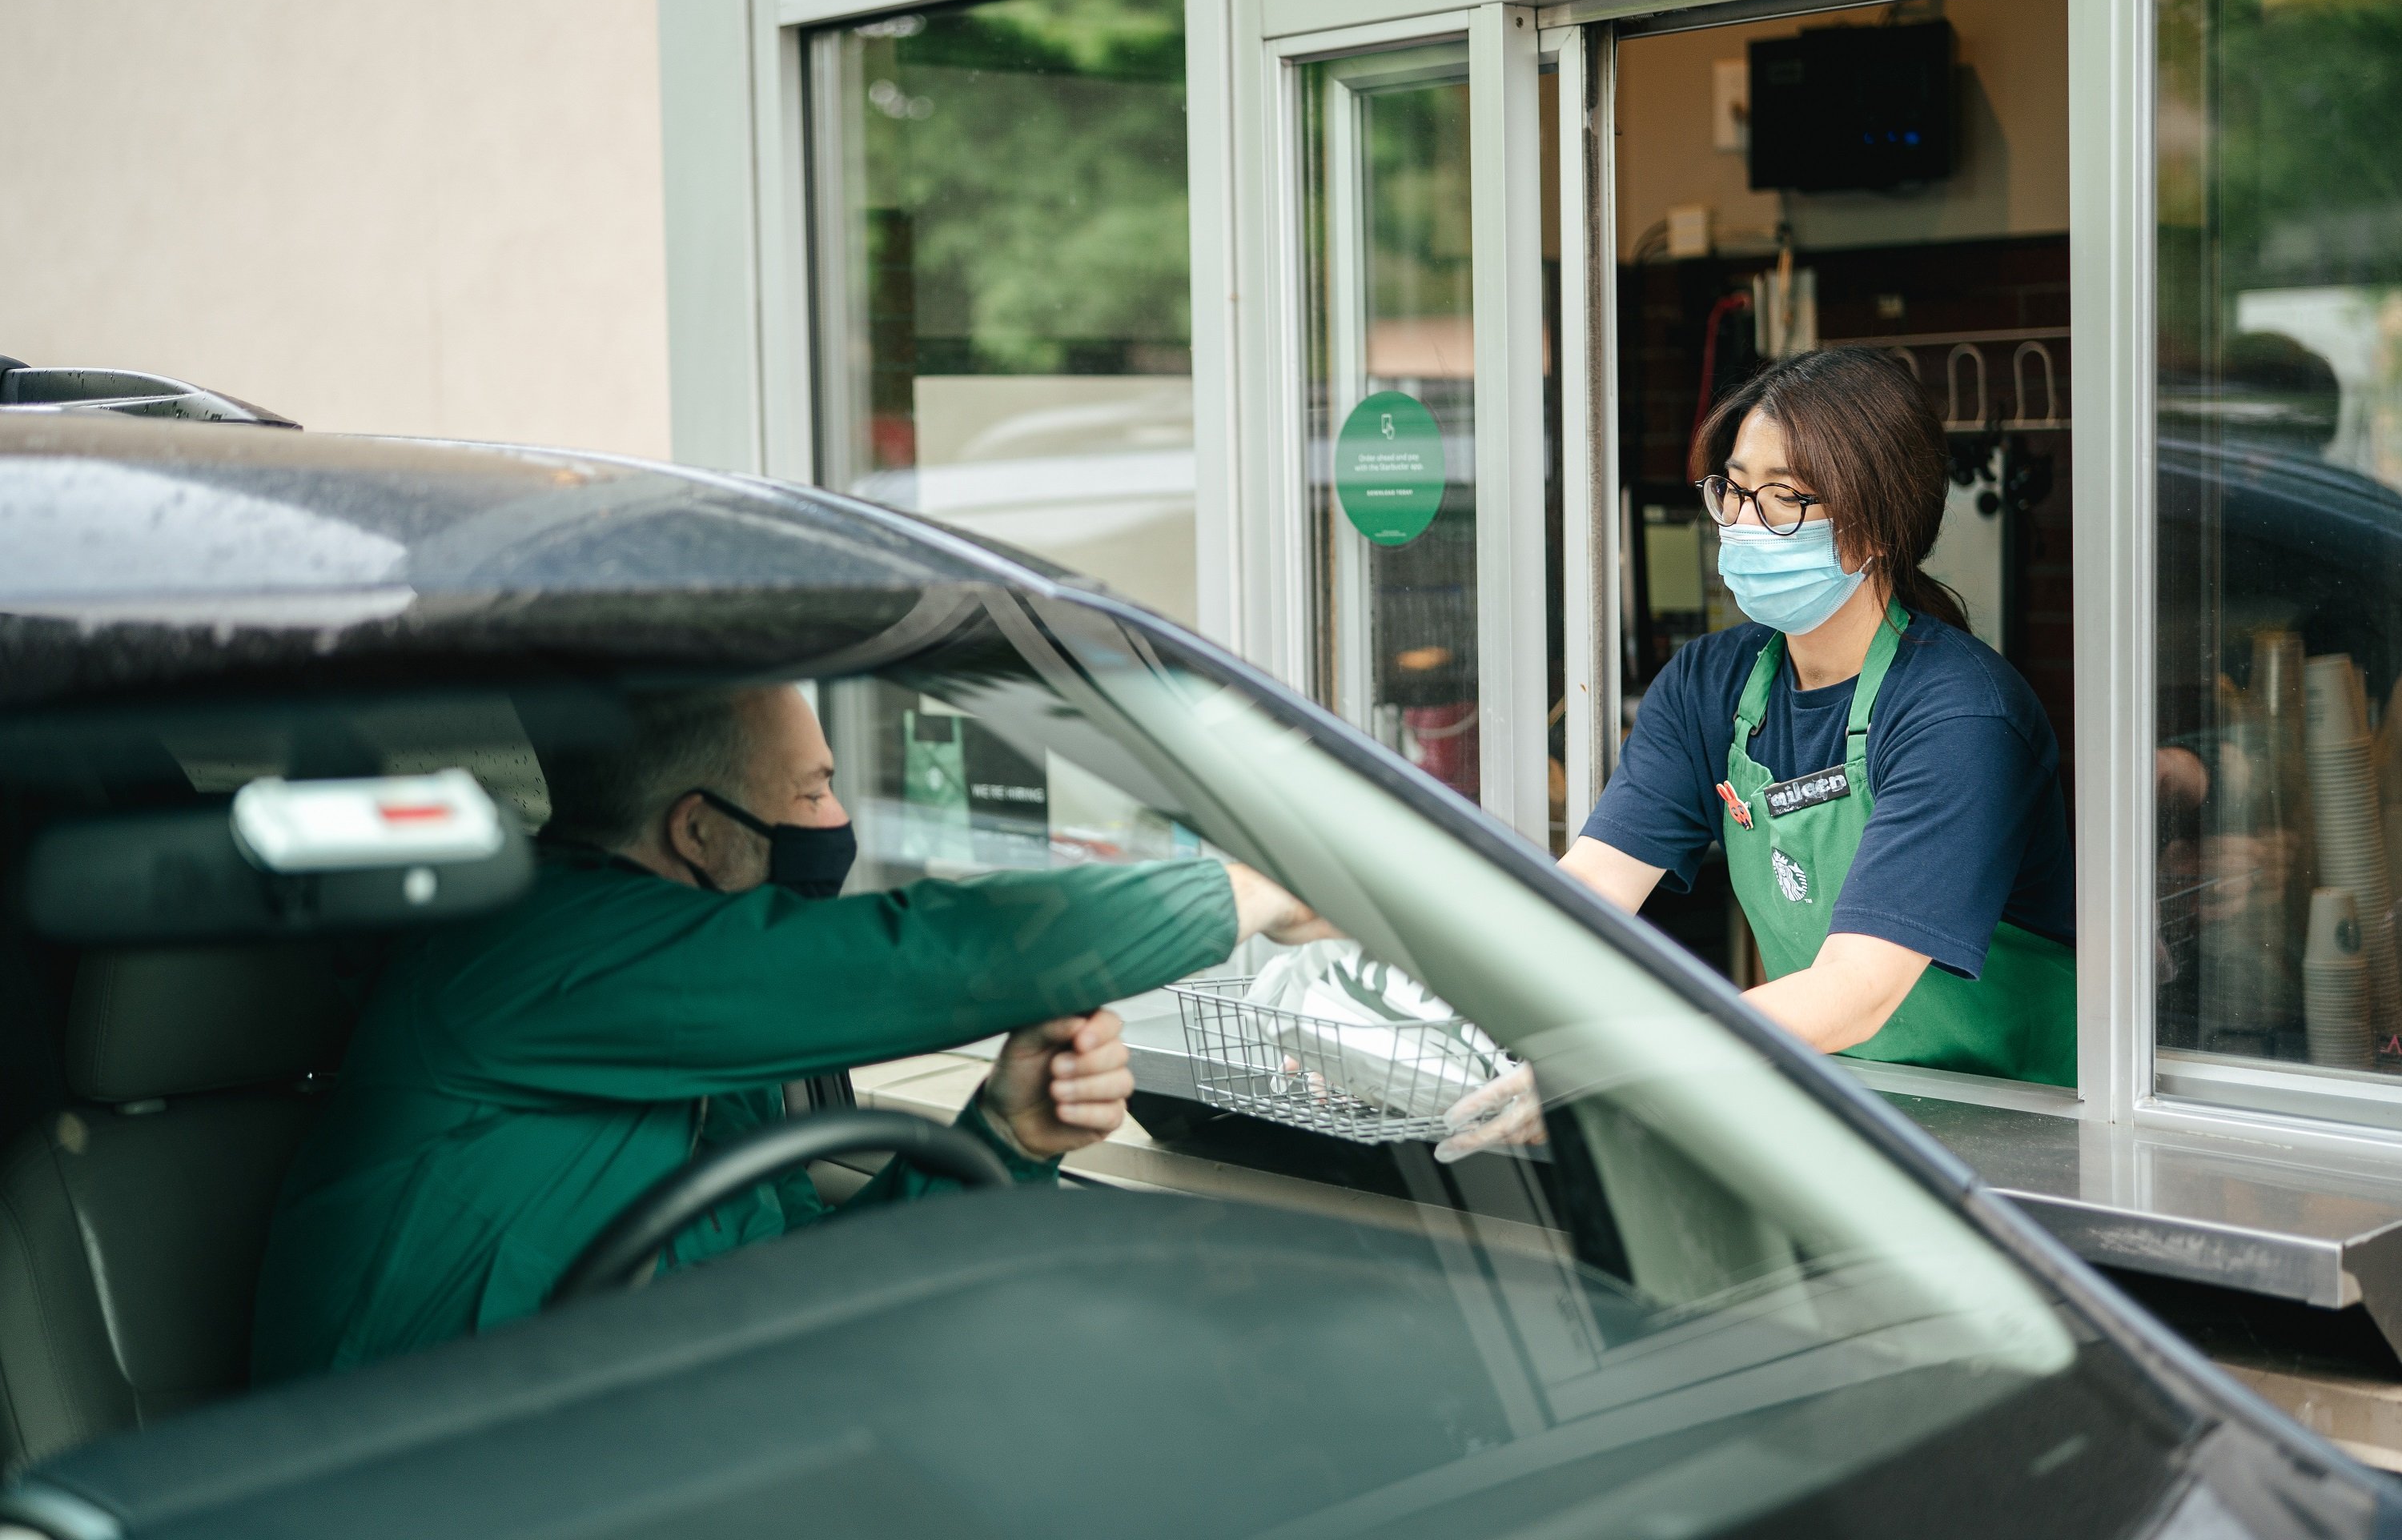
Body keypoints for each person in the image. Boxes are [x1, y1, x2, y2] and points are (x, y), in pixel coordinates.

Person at [253, 684, 1326, 1381]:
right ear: (702, 831)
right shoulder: (532, 955)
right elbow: (926, 955)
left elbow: (785, 1294)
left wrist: (1006, 1133)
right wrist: (1255, 892)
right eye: (814, 791)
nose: (837, 822)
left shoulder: (708, 1047)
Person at [1443, 348, 2075, 1159]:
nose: (1743, 521)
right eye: (1734, 489)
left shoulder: (1960, 715)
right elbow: (1586, 894)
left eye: (1782, 498)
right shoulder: (1711, 684)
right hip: (1847, 1103)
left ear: (1876, 527)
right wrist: (1412, 1015)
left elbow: (1856, 989)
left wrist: (1632, 1063)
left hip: (2027, 1130)